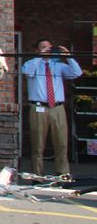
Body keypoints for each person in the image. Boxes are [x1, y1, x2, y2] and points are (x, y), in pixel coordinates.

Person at [21, 39, 82, 177]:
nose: (47, 49)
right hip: (39, 108)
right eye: (43, 47)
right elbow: (26, 71)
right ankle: (37, 176)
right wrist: (40, 56)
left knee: (61, 144)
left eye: (49, 47)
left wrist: (68, 56)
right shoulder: (33, 64)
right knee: (37, 145)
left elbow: (76, 73)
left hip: (57, 108)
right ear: (37, 50)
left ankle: (62, 175)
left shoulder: (58, 66)